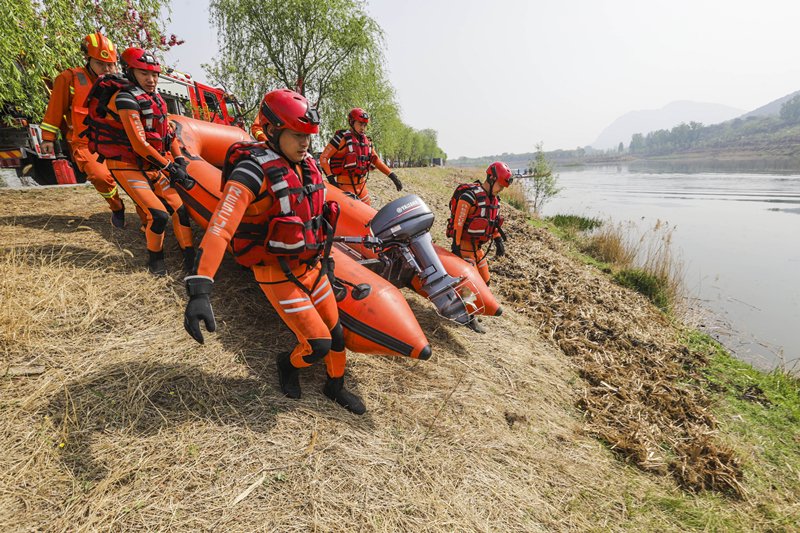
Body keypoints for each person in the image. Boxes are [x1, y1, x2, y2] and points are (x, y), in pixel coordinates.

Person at [183, 89, 366, 415]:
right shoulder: (252, 171)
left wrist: (330, 263)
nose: (306, 143)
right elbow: (220, 227)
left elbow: (318, 218)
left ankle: (334, 387)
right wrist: (199, 288)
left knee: (337, 336)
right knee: (318, 344)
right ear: (271, 131)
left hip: (313, 266)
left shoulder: (308, 164)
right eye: (297, 135)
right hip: (277, 272)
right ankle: (287, 364)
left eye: (309, 135)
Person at [84, 47, 195, 275]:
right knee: (158, 214)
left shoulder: (156, 99)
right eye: (144, 73)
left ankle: (190, 257)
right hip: (126, 165)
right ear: (130, 72)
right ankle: (155, 259)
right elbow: (139, 144)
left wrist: (180, 159)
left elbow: (167, 134)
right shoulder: (125, 99)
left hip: (150, 164)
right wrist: (168, 166)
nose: (151, 79)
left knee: (181, 209)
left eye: (154, 74)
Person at [40, 33, 136, 228]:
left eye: (111, 64)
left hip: (116, 140)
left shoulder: (121, 83)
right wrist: (48, 138)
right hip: (85, 143)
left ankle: (147, 216)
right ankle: (117, 207)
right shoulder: (69, 78)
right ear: (88, 59)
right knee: (101, 177)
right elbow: (55, 109)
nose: (107, 69)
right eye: (101, 64)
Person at [446, 161, 511, 331]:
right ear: (491, 178)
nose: (501, 189)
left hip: (478, 248)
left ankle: (471, 311)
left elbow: (492, 223)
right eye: (500, 185)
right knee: (470, 285)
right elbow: (459, 224)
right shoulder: (469, 197)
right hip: (465, 246)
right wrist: (456, 245)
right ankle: (468, 317)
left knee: (485, 282)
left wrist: (498, 240)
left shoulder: (495, 200)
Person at [319, 108, 401, 205]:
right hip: (344, 186)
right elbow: (323, 158)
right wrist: (331, 180)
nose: (363, 127)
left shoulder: (367, 141)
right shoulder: (341, 139)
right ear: (352, 122)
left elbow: (377, 161)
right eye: (360, 124)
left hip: (362, 187)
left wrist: (392, 176)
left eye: (365, 125)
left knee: (369, 216)